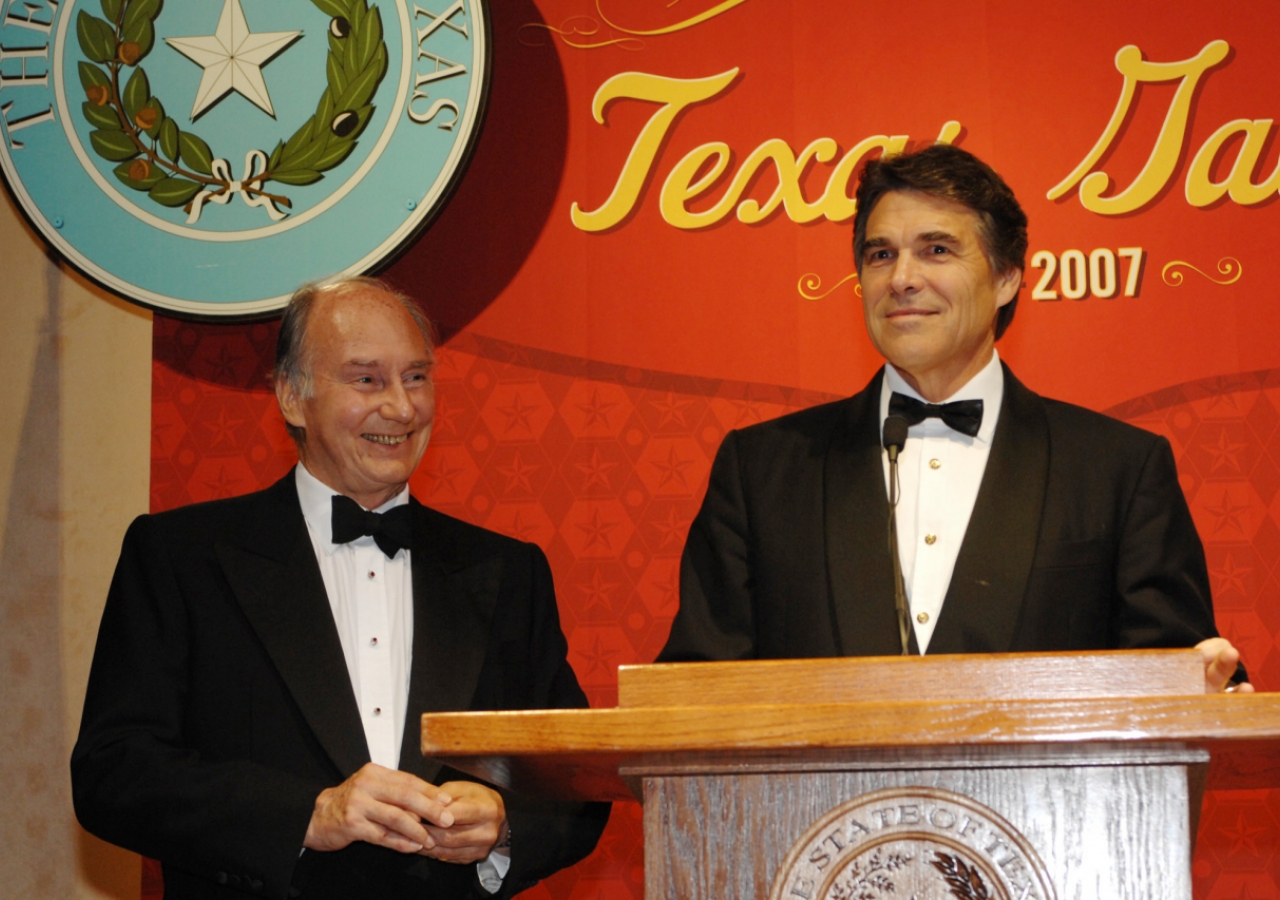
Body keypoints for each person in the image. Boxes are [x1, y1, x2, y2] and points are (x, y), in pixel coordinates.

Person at [72, 277, 609, 900]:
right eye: (367, 379)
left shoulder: (509, 571)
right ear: (292, 396)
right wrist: (310, 813)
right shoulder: (180, 557)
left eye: (416, 377)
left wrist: (505, 825)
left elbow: (577, 781)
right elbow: (114, 772)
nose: (403, 409)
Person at [659, 144, 1250, 693]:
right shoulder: (761, 472)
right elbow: (691, 701)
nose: (902, 278)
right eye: (880, 254)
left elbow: (1175, 681)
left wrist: (1205, 692)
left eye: (936, 249)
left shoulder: (1119, 471)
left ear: (1007, 277)